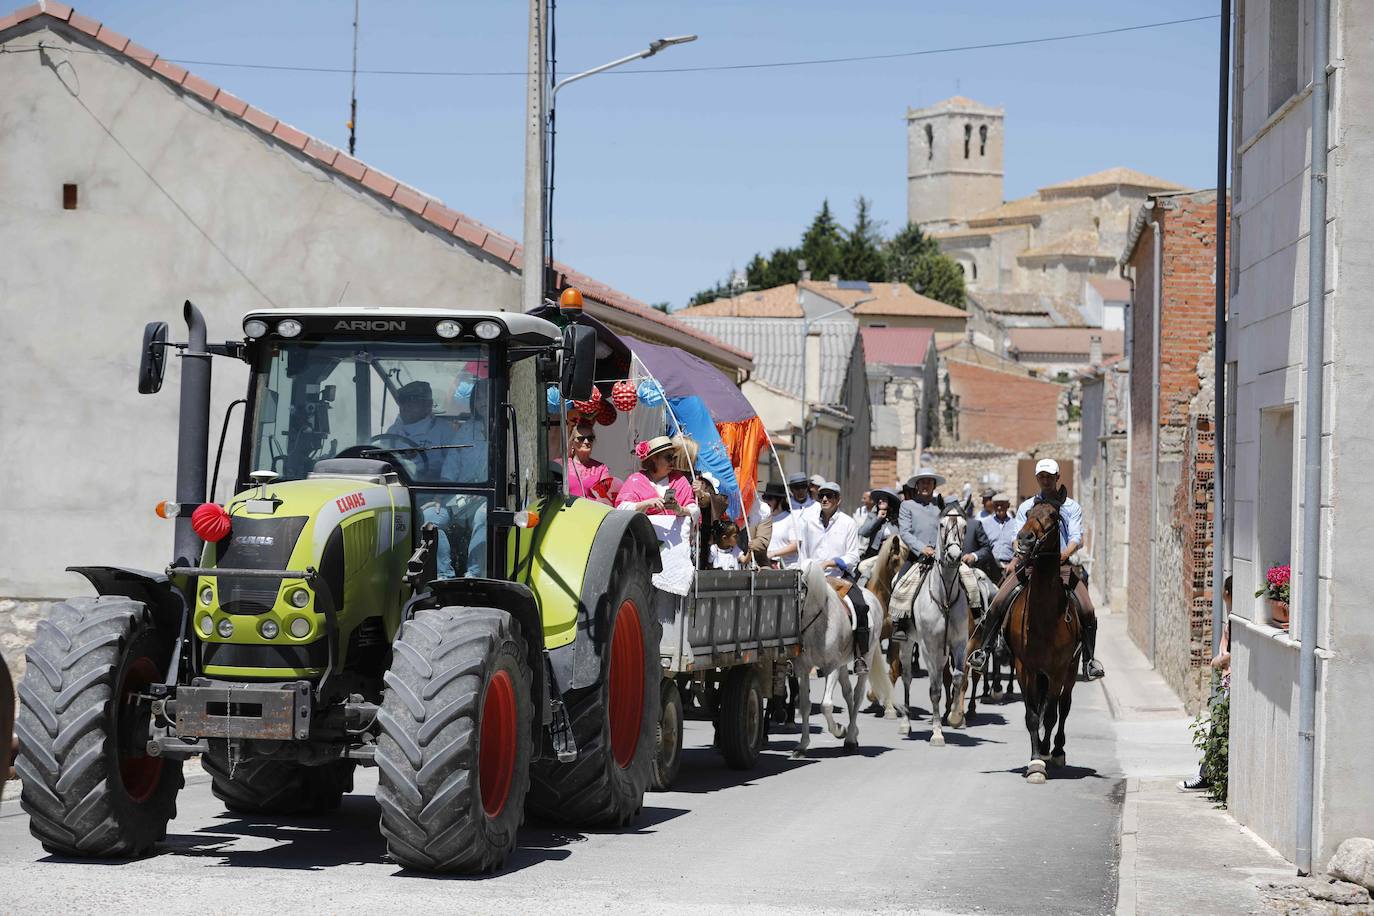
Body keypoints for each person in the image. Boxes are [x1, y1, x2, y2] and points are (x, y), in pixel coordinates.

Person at [968, 459, 1104, 679]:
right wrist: (1020, 551)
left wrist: (1064, 555)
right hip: (1031, 566)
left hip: (1062, 567)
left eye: (1050, 476)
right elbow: (1016, 538)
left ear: (1058, 477)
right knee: (998, 601)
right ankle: (985, 651)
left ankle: (1089, 660)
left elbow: (1076, 538)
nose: (1046, 480)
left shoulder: (1071, 507)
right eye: (1042, 476)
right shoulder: (1026, 506)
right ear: (1037, 478)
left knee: (1087, 608)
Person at [797, 481, 870, 670]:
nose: (825, 499)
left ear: (839, 500)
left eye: (830, 496)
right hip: (810, 579)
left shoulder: (848, 523)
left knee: (860, 607)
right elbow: (802, 552)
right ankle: (791, 655)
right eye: (821, 496)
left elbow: (854, 555)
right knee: (792, 607)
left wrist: (831, 562)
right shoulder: (808, 523)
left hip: (839, 577)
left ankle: (860, 654)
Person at [1181, 576, 1232, 792]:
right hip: (1227, 680)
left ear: (1227, 593)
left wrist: (1217, 661)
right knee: (1217, 727)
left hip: (1230, 681)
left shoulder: (1234, 619)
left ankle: (1206, 777)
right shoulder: (1232, 617)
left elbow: (1232, 652)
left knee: (1217, 728)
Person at [615, 436, 697, 517]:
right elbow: (621, 510)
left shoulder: (679, 480)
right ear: (654, 458)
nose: (672, 461)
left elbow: (695, 511)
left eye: (674, 457)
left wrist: (680, 510)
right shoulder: (636, 480)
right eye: (668, 457)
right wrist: (646, 504)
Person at [965, 492, 1016, 584]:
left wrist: (1013, 563)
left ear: (1008, 506)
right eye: (996, 505)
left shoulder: (1016, 525)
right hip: (990, 569)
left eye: (1002, 505)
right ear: (993, 506)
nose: (999, 508)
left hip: (1011, 568)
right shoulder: (984, 524)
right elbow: (982, 546)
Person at [562, 421, 613, 502]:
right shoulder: (562, 466)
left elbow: (605, 498)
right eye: (581, 439)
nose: (586, 442)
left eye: (590, 438)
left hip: (592, 512)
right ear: (572, 443)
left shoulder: (601, 468)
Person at [762, 482, 800, 568]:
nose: (766, 501)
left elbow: (795, 545)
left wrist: (773, 553)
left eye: (770, 498)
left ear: (780, 500)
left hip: (787, 567)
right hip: (767, 566)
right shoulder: (763, 519)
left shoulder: (791, 519)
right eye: (765, 497)